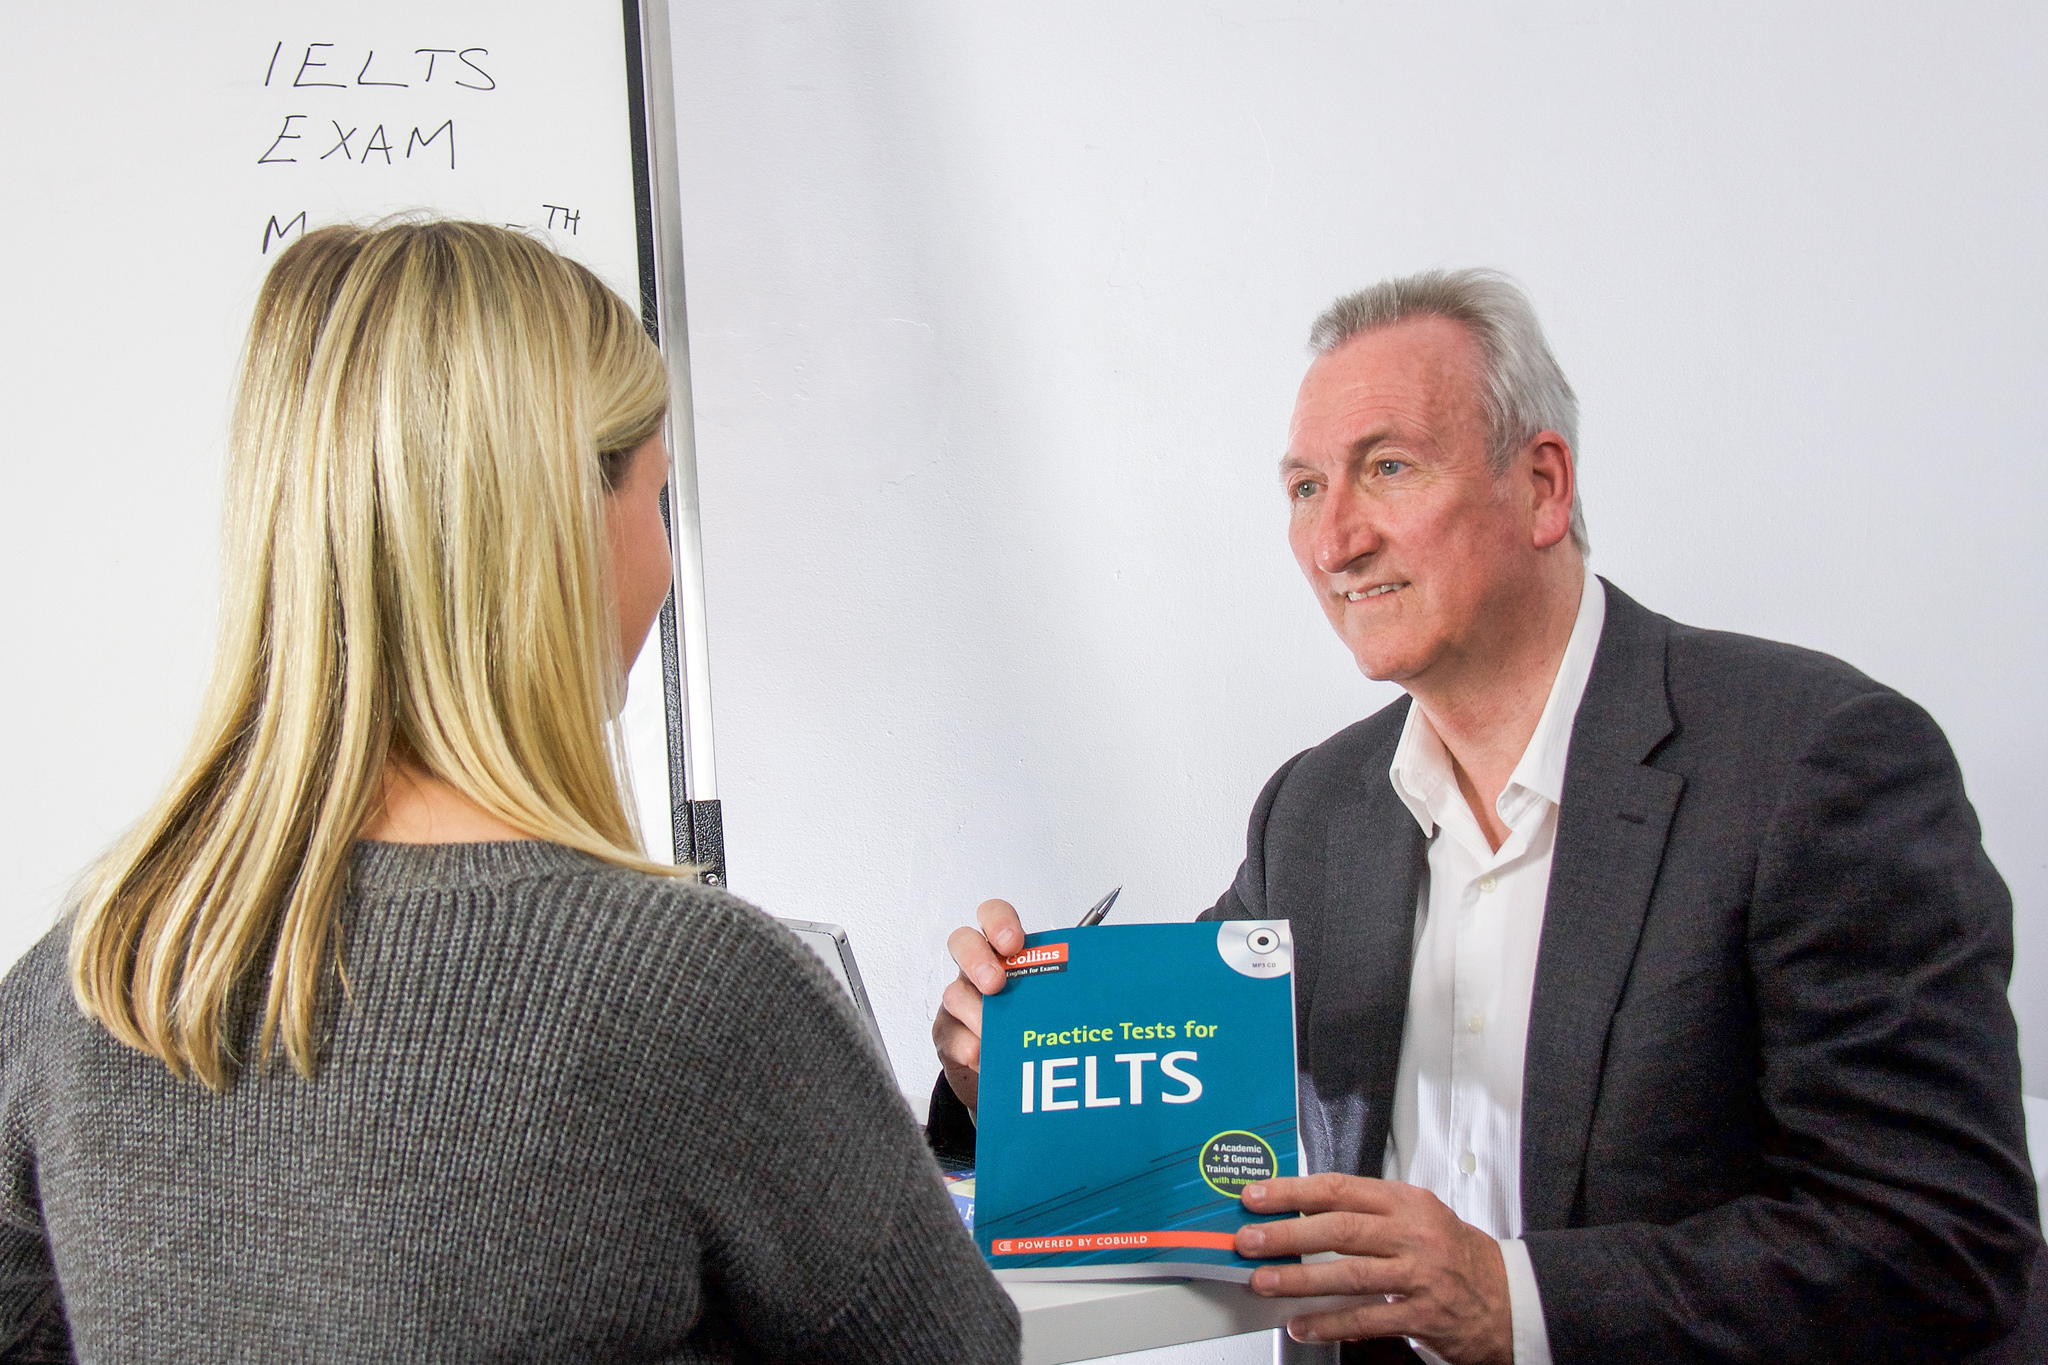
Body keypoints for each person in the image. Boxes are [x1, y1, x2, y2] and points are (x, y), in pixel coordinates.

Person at [928, 268, 2040, 1363]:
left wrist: (1508, 1299)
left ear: (1542, 486)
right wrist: (1018, 1074)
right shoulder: (1311, 810)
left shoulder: (1814, 762)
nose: (1333, 542)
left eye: (1387, 468)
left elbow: (1940, 1240)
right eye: (1305, 488)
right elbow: (1201, 1133)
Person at [0, 221, 1019, 1364]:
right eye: (656, 499)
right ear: (563, 523)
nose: (663, 562)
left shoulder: (91, 977)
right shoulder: (690, 992)